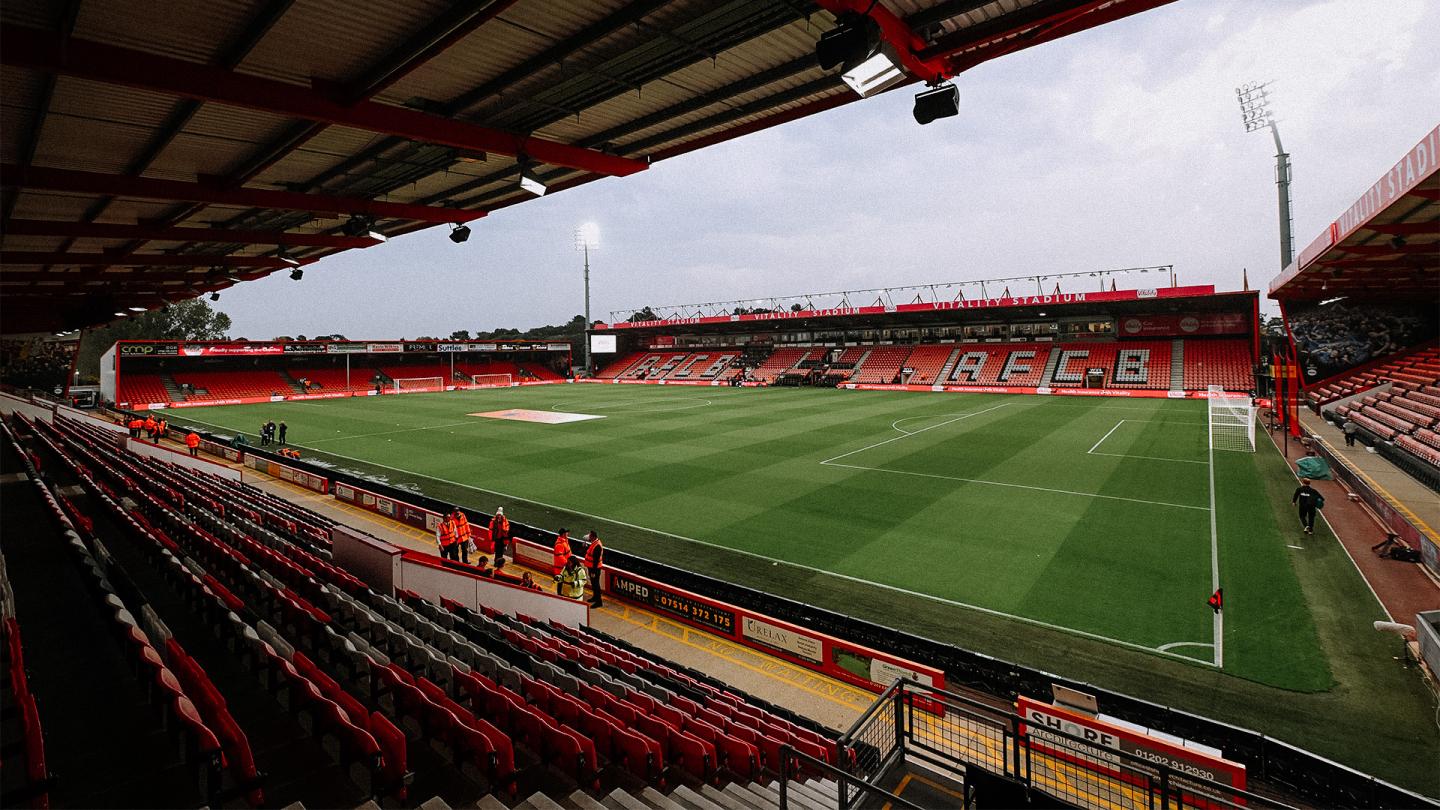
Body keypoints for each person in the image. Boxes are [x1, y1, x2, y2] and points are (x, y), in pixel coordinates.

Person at [583, 530, 604, 608]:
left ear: (593, 537)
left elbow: (596, 560)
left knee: (596, 585)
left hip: (595, 569)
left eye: (590, 536)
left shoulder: (597, 546)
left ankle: (599, 602)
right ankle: (595, 597)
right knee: (594, 584)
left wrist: (594, 572)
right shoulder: (594, 544)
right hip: (592, 567)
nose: (589, 537)